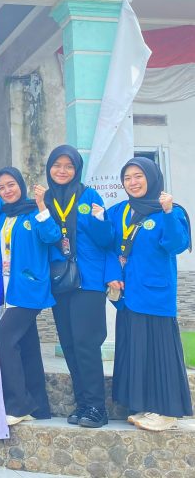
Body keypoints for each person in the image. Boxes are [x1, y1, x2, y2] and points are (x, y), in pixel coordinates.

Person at [108, 157, 192, 432]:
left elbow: (176, 245)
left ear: (152, 178)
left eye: (138, 176)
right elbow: (107, 246)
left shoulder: (170, 211)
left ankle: (167, 411)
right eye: (127, 178)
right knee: (137, 351)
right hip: (127, 295)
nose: (132, 182)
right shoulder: (119, 211)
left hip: (156, 296)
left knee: (160, 352)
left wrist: (167, 213)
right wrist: (113, 275)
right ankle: (143, 405)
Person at [44, 145, 115, 429]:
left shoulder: (90, 196)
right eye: (57, 165)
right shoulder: (45, 200)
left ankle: (97, 407)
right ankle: (83, 403)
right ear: (49, 168)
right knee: (70, 344)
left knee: (87, 343)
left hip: (89, 281)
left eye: (68, 166)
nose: (62, 171)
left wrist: (99, 221)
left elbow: (106, 239)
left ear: (77, 169)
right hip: (60, 280)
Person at [0, 167, 61, 426]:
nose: (7, 190)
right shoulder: (4, 216)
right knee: (27, 344)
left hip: (29, 287)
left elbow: (52, 236)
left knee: (3, 338)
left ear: (20, 185)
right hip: (9, 288)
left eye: (11, 184)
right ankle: (38, 406)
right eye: (1, 187)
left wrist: (42, 205)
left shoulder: (34, 212)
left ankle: (18, 404)